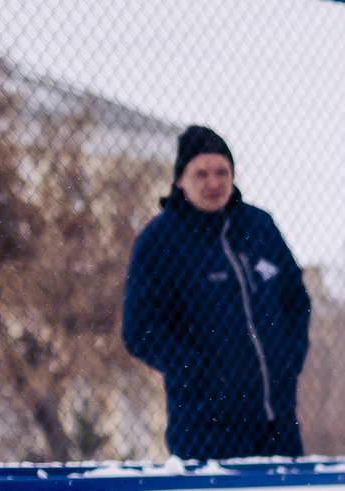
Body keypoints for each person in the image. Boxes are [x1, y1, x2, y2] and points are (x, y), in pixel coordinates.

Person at [122, 126, 312, 461]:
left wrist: (289, 358)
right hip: (205, 431)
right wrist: (195, 370)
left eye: (222, 172)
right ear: (181, 179)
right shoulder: (159, 241)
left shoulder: (259, 227)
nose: (214, 183)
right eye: (202, 174)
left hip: (277, 425)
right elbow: (139, 329)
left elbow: (296, 299)